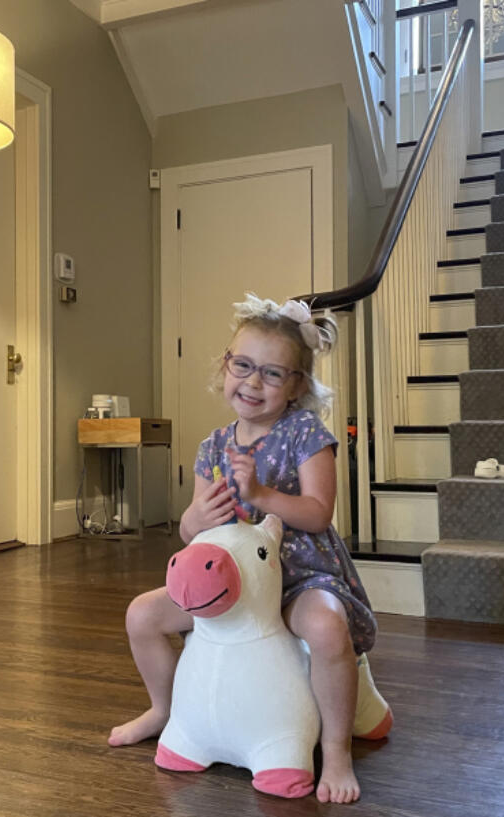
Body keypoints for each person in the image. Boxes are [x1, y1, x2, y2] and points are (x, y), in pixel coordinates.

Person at [108, 294, 386, 805]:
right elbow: (195, 533)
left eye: (273, 373)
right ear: (225, 365)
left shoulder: (305, 433)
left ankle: (337, 748)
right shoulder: (212, 446)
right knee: (142, 616)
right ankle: (164, 709)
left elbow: (318, 512)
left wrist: (261, 496)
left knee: (326, 628)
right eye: (243, 365)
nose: (253, 382)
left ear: (297, 385)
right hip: (230, 588)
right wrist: (195, 519)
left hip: (299, 575)